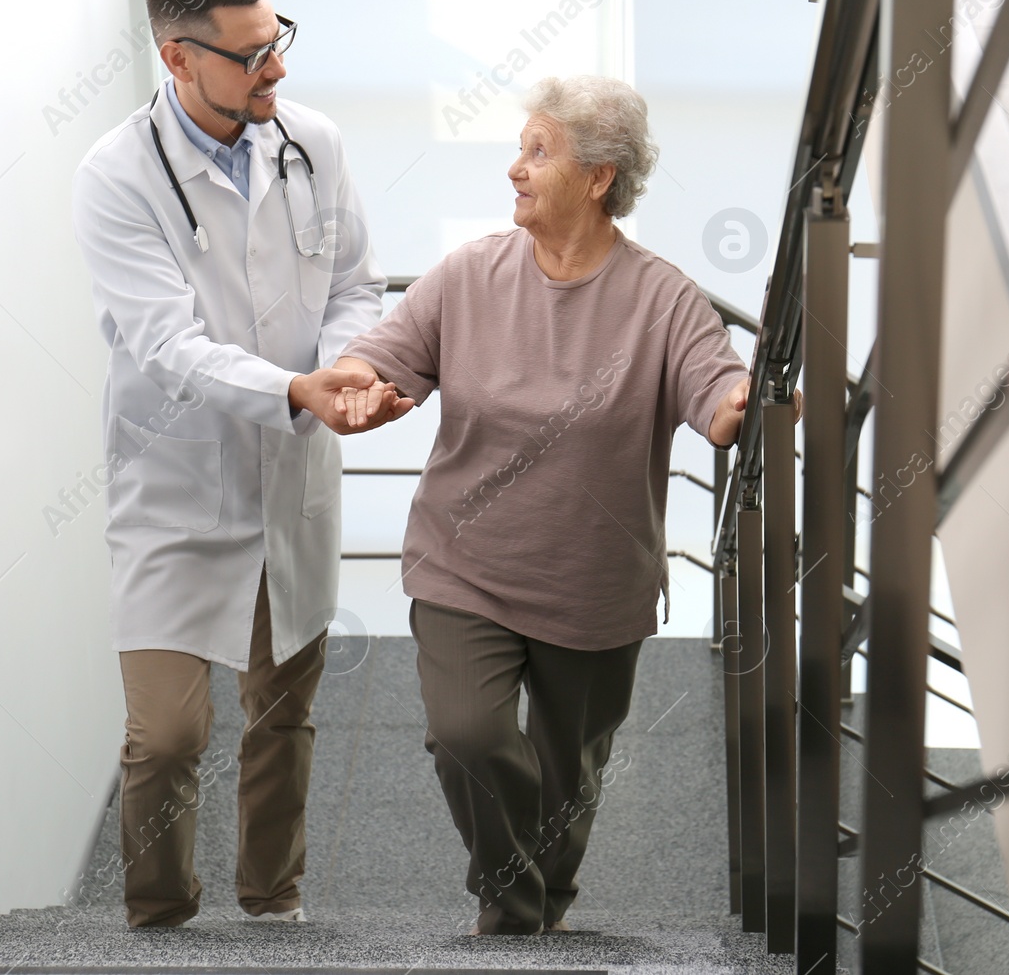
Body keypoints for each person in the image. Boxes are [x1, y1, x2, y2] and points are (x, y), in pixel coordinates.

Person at [335, 75, 793, 935]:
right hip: (464, 561)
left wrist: (744, 400)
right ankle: (514, 910)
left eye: (537, 151)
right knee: (465, 735)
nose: (514, 168)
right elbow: (382, 354)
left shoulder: (663, 297)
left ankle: (536, 911)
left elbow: (715, 390)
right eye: (519, 148)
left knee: (568, 774)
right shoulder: (470, 273)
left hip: (594, 582)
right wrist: (359, 385)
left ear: (598, 177)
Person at [70, 0, 410, 930]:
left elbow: (353, 283)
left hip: (290, 473)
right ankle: (159, 912)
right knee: (169, 732)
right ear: (178, 60)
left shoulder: (314, 142)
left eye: (278, 41)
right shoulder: (115, 175)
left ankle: (274, 900)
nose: (279, 69)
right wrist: (298, 388)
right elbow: (167, 345)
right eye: (252, 55)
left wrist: (343, 367)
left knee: (282, 709)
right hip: (176, 483)